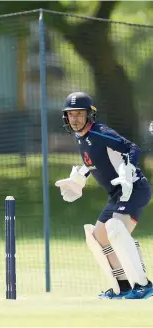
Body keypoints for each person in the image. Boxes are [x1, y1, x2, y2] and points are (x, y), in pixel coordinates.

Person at [55, 92, 153, 300]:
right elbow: (93, 161)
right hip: (116, 195)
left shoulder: (100, 133)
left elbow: (132, 148)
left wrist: (129, 168)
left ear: (89, 115)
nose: (75, 119)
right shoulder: (80, 136)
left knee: (115, 230)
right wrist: (78, 180)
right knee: (98, 236)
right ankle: (124, 286)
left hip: (133, 190)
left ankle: (144, 284)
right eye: (71, 114)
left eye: (79, 114)